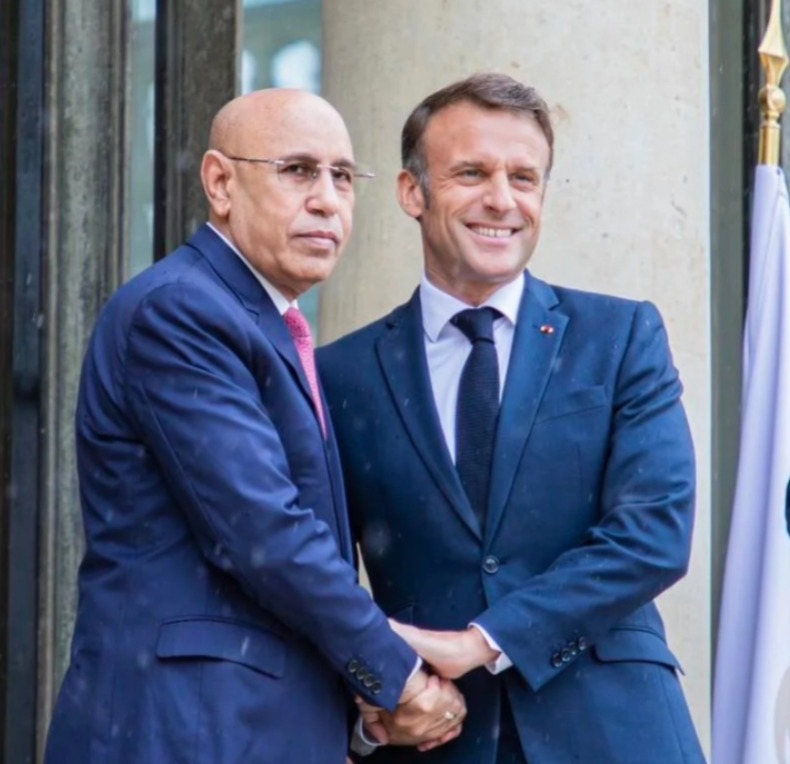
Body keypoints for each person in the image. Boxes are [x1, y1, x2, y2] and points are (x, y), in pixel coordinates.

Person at [43, 89, 465, 764]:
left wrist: (363, 715)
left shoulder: (266, 323)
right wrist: (398, 676)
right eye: (297, 170)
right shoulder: (181, 310)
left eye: (343, 177)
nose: (327, 200)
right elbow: (263, 530)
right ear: (220, 183)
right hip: (181, 731)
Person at [318, 73, 706, 763]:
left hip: (614, 733)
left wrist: (483, 642)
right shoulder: (339, 374)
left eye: (523, 178)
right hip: (433, 738)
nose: (502, 199)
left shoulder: (621, 337)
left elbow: (654, 533)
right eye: (471, 173)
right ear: (412, 192)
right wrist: (370, 716)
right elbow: (315, 574)